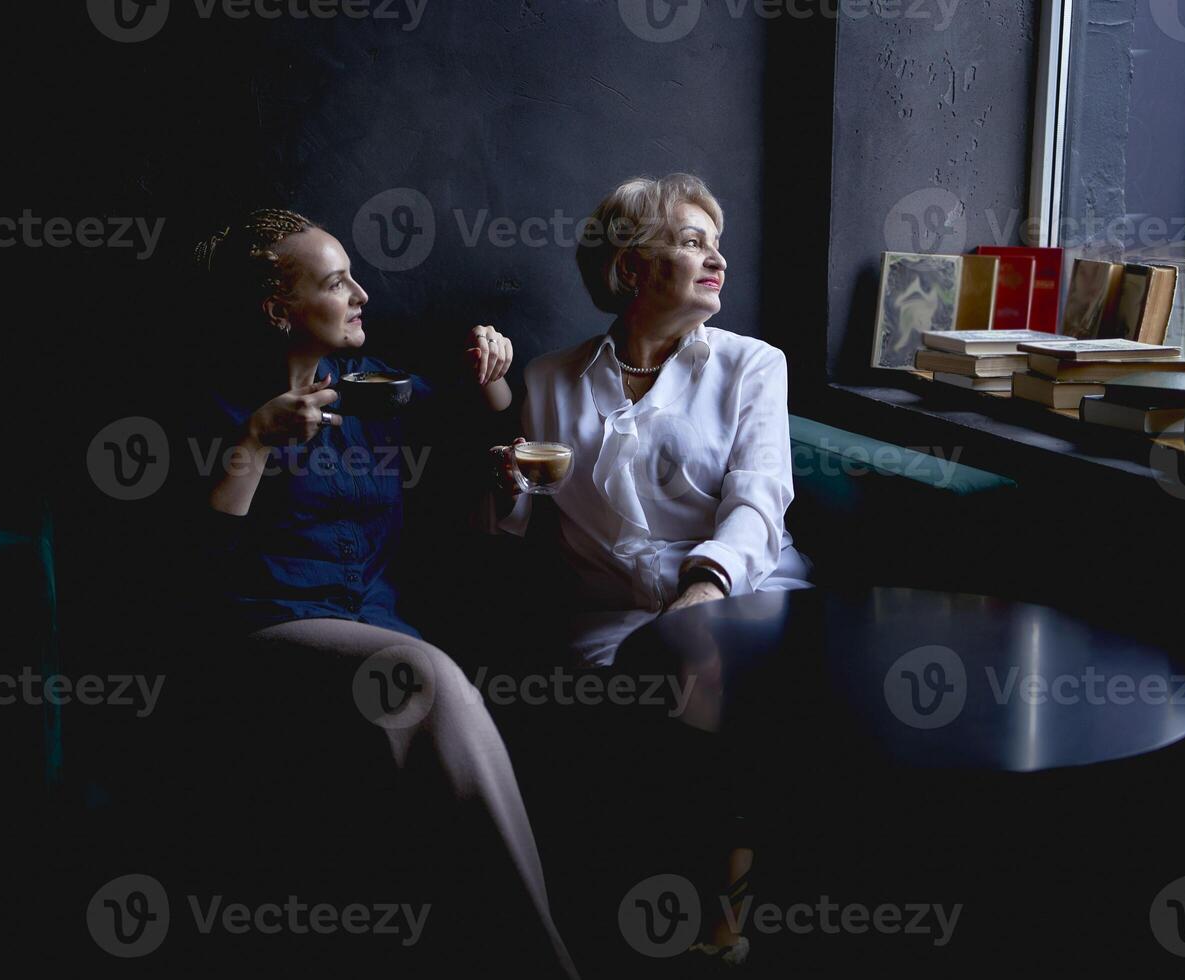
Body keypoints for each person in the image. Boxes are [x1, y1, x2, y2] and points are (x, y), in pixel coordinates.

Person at [190, 208, 577, 978]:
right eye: (337, 283)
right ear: (277, 310)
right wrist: (254, 446)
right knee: (425, 674)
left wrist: (492, 381)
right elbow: (193, 570)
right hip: (265, 632)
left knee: (422, 680)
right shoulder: (214, 406)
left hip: (376, 626)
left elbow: (478, 423)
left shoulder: (371, 390)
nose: (363, 293)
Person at [491, 174, 814, 968]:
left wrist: (703, 593)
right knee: (650, 696)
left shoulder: (752, 365)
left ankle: (723, 915)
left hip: (746, 591)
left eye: (718, 243)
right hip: (616, 613)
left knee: (714, 679)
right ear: (631, 269)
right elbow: (517, 522)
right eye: (693, 242)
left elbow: (760, 500)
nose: (719, 260)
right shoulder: (547, 381)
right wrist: (504, 491)